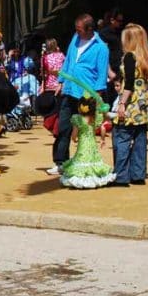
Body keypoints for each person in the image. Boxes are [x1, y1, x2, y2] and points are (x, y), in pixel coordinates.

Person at [48, 14, 110, 175]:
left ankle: (84, 162)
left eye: (80, 29)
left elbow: (102, 73)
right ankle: (60, 162)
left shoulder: (101, 47)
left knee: (86, 130)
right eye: (76, 29)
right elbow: (68, 60)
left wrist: (98, 95)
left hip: (87, 94)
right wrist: (61, 81)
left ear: (90, 29)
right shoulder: (75, 39)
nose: (77, 32)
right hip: (69, 90)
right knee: (63, 128)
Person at [111, 24, 148, 186]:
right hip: (143, 103)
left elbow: (129, 83)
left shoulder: (129, 56)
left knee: (121, 137)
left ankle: (121, 176)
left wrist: (122, 103)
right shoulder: (145, 57)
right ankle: (138, 174)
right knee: (139, 139)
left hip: (131, 103)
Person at [59, 96, 116, 189]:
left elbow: (74, 133)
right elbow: (103, 127)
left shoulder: (78, 119)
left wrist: (73, 138)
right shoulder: (95, 118)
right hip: (92, 144)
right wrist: (102, 139)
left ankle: (82, 178)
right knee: (93, 158)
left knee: (81, 158)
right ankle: (94, 176)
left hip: (83, 144)